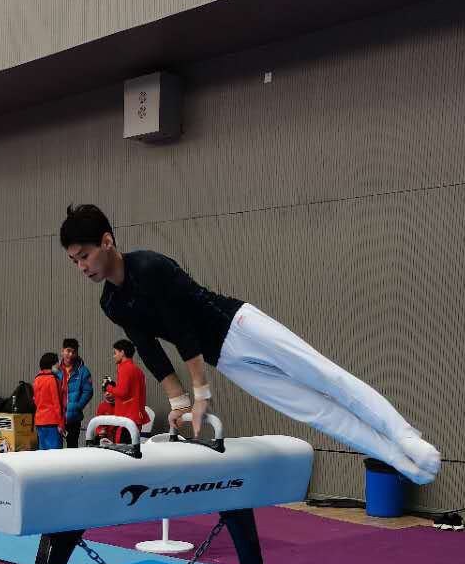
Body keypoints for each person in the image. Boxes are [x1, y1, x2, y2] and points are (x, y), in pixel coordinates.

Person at [59, 205, 440, 484]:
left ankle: (405, 436)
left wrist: (200, 393)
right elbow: (149, 348)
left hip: (240, 326)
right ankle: (396, 459)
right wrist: (179, 402)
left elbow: (182, 327)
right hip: (224, 358)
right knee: (313, 411)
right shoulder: (111, 302)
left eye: (85, 256)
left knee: (327, 377)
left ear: (107, 241)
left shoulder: (149, 266)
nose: (82, 267)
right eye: (75, 261)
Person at [95, 338, 148, 443]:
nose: (114, 356)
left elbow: (122, 392)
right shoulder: (138, 370)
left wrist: (108, 387)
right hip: (136, 417)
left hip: (127, 417)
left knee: (123, 448)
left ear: (122, 352)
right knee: (132, 446)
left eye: (115, 353)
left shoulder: (124, 368)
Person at [55, 338, 93, 448]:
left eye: (74, 352)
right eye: (68, 351)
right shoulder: (55, 370)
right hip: (57, 417)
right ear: (62, 351)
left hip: (74, 418)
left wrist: (77, 406)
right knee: (55, 449)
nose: (70, 354)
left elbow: (88, 391)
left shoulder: (83, 371)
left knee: (72, 448)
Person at [33, 352, 65, 449]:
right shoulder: (53, 379)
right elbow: (57, 403)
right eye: (57, 362)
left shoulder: (37, 379)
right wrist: (61, 423)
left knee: (43, 451)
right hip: (52, 422)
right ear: (52, 364)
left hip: (39, 421)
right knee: (55, 453)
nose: (59, 365)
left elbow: (35, 401)